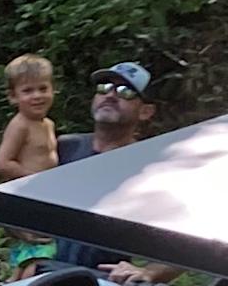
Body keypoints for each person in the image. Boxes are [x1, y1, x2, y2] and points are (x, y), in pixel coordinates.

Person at [56, 59, 165, 273]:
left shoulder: (151, 167)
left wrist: (149, 272)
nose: (111, 95)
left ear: (146, 111)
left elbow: (191, 240)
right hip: (45, 276)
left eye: (125, 92)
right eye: (104, 87)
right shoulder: (66, 146)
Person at [0, 54, 62, 186]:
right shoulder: (20, 126)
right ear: (13, 96)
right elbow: (3, 163)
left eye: (43, 89)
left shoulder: (48, 124)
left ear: (53, 89)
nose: (37, 96)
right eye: (28, 91)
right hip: (26, 190)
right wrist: (33, 178)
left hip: (48, 188)